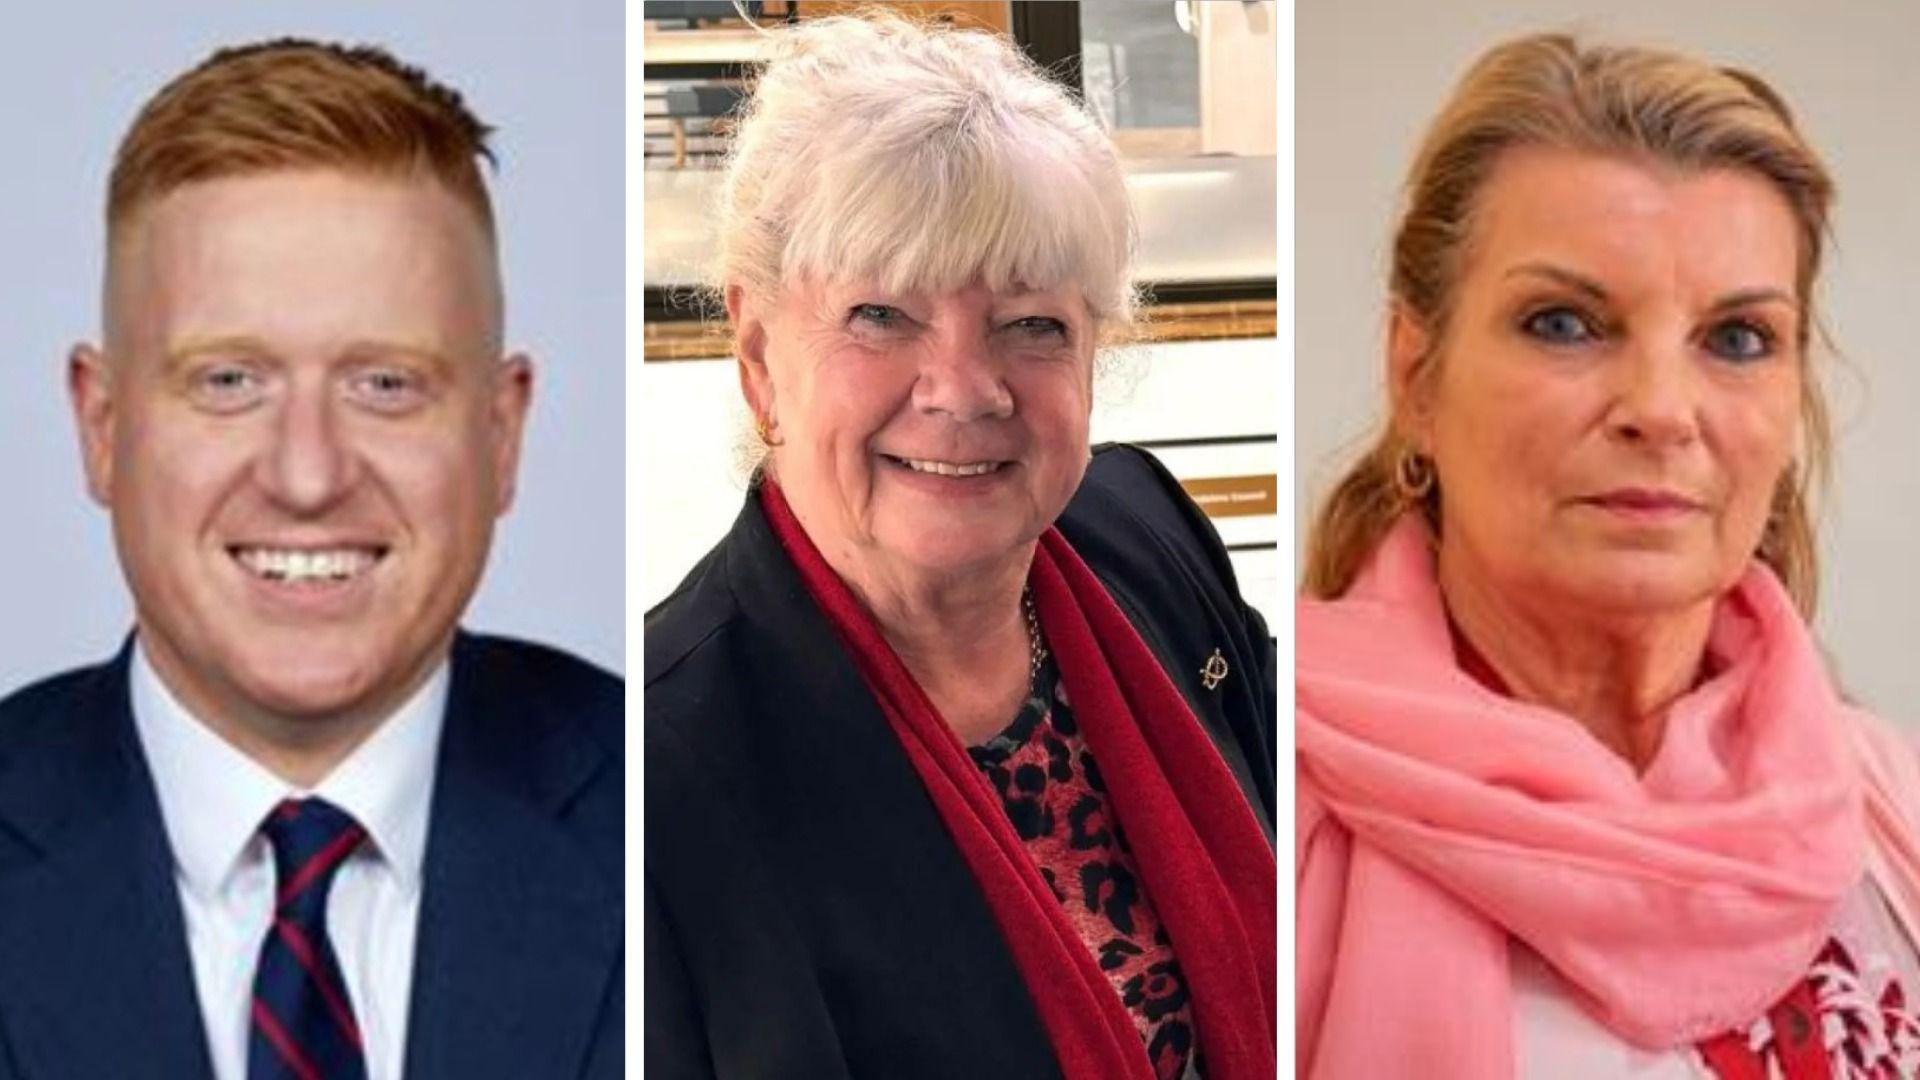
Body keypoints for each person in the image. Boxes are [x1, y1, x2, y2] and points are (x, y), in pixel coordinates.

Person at [644, 13, 1276, 1080]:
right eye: (881, 315)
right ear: (759, 357)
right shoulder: (658, 776)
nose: (965, 390)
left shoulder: (1146, 530)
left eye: (1031, 324)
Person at [1297, 33, 1920, 1079]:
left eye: (1737, 338)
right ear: (1415, 375)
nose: (1662, 410)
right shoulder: (1275, 797)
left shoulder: (1885, 795)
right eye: (1565, 323)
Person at [0, 40, 620, 1080]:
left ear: (502, 433)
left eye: (386, 384)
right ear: (101, 427)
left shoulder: (669, 803)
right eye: (229, 380)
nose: (307, 475)